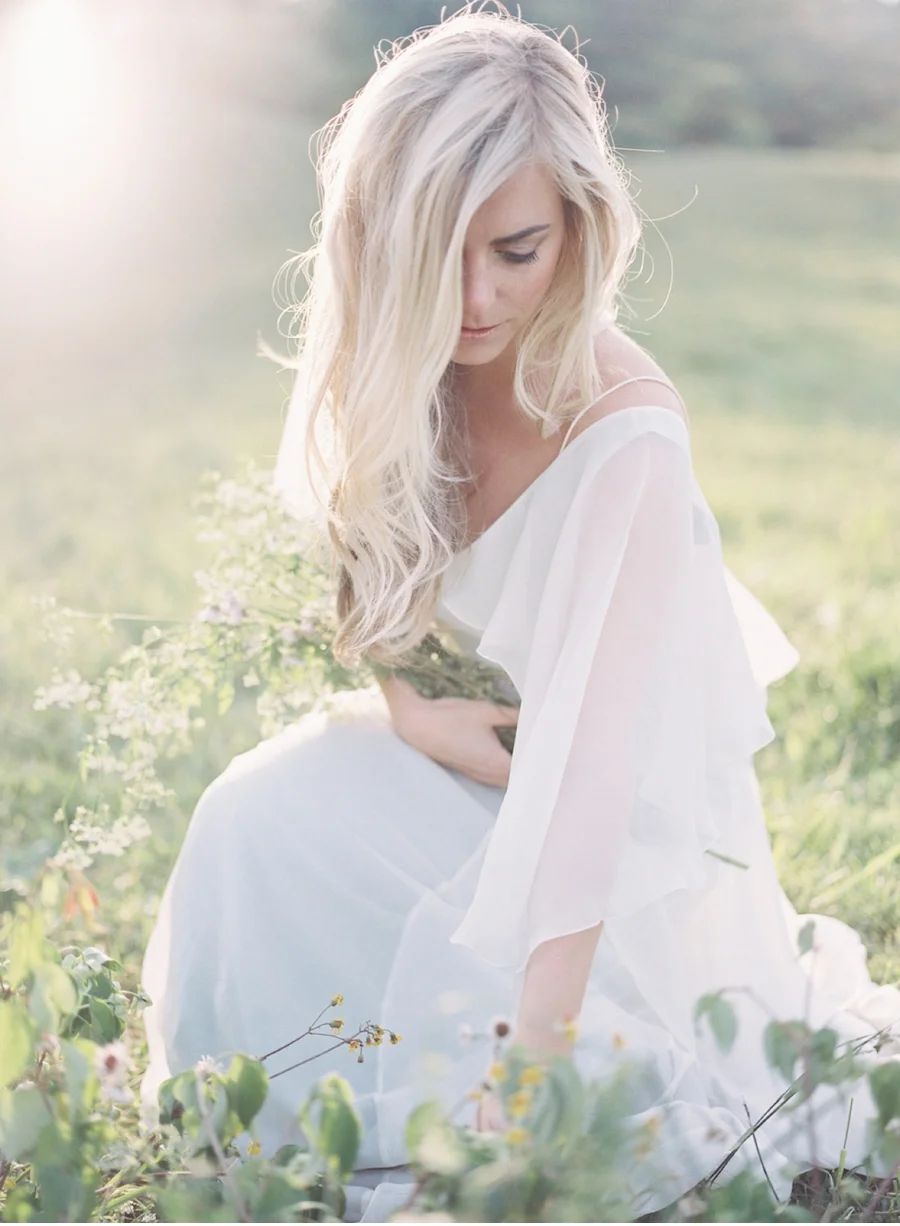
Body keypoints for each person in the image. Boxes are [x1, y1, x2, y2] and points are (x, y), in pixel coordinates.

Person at [139, 6, 900, 1221]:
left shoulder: (626, 437)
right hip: (484, 774)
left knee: (564, 1064)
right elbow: (366, 579)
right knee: (251, 819)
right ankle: (249, 1117)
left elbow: (596, 775)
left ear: (578, 230)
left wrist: (534, 1059)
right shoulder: (411, 363)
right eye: (435, 251)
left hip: (613, 859)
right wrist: (410, 709)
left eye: (515, 250)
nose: (474, 297)